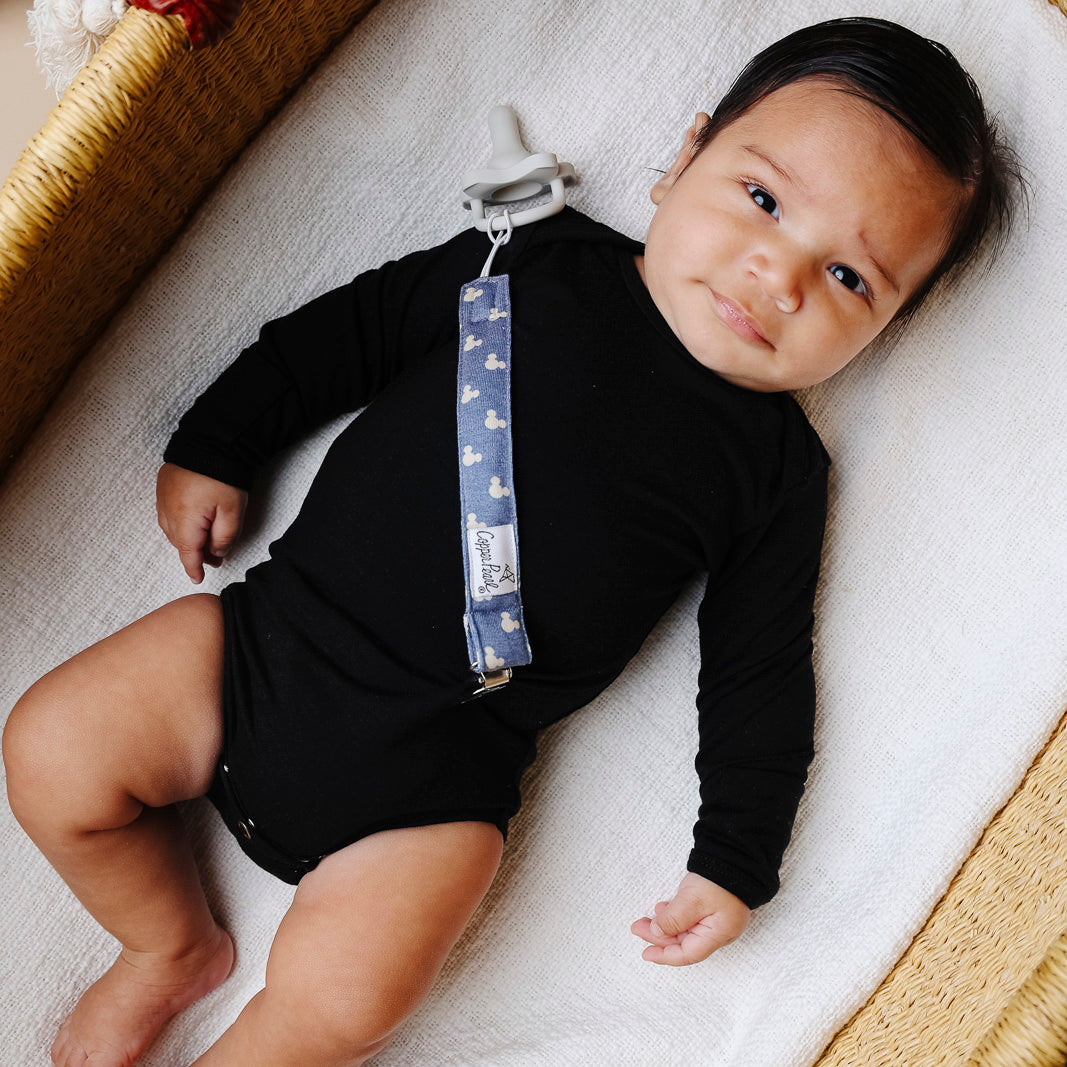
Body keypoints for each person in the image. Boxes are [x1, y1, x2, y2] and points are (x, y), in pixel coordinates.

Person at [3, 17, 1023, 1067]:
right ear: (684, 157)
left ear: (885, 327)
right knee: (49, 751)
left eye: (850, 278)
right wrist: (221, 441)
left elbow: (758, 671)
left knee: (347, 997)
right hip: (262, 647)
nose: (779, 275)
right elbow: (353, 331)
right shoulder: (534, 259)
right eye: (762, 199)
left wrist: (735, 854)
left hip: (436, 783)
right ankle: (165, 943)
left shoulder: (775, 472)